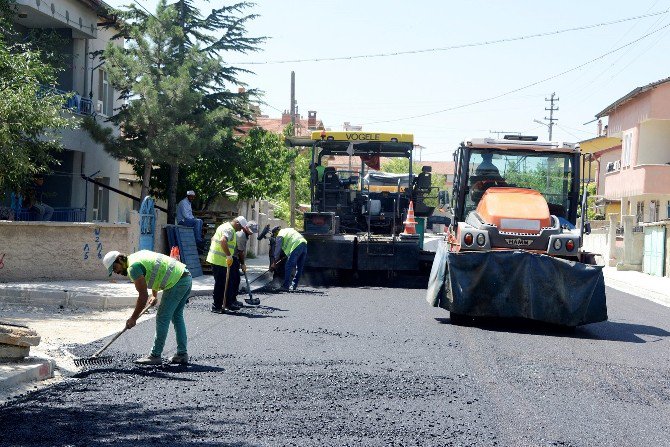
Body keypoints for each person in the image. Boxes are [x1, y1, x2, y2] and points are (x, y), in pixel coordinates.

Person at [102, 249, 192, 365]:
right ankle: (182, 354)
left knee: (162, 318)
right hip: (185, 277)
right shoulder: (138, 256)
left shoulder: (133, 268)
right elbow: (157, 271)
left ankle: (155, 355)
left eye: (115, 268)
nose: (116, 272)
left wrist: (133, 318)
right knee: (177, 316)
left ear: (120, 259)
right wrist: (154, 295)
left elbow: (143, 296)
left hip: (177, 282)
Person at [207, 215, 250, 313]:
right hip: (220, 260)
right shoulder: (229, 229)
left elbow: (213, 238)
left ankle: (227, 303)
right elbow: (223, 240)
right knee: (220, 284)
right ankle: (217, 306)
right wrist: (228, 255)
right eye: (240, 227)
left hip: (218, 259)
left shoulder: (224, 226)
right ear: (237, 223)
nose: (240, 230)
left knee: (225, 283)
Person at [270, 226, 308, 292]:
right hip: (304, 244)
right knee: (299, 268)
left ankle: (285, 286)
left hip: (296, 246)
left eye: (275, 235)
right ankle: (294, 286)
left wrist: (274, 263)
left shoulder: (280, 234)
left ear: (276, 232)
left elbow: (277, 250)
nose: (276, 237)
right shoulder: (288, 230)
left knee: (288, 266)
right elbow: (290, 242)